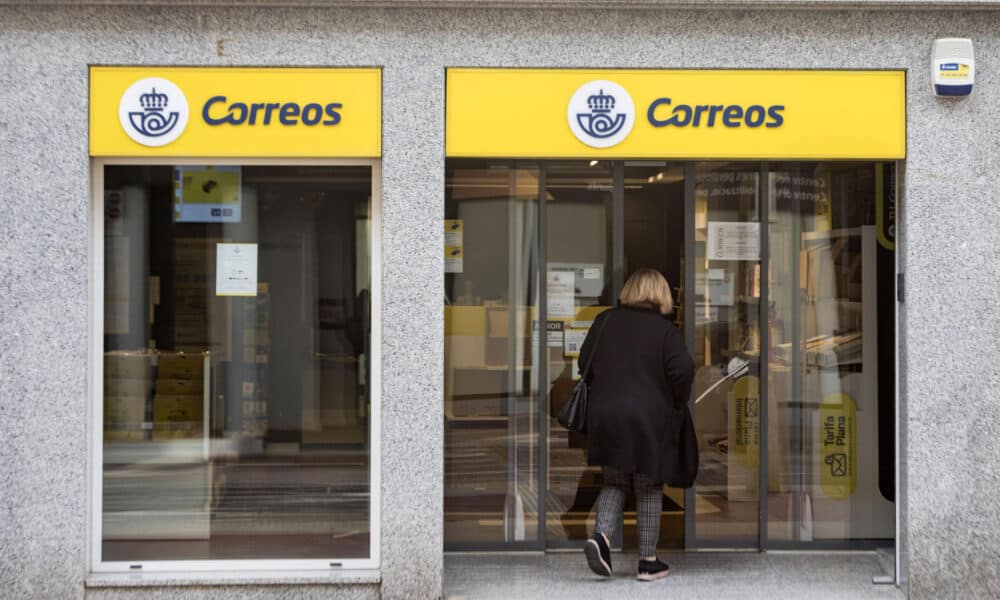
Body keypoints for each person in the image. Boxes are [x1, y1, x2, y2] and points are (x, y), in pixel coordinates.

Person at [578, 268, 695, 582]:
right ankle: (648, 561)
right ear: (660, 294)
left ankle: (601, 538)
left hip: (606, 416)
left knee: (614, 482)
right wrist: (676, 400)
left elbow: (583, 362)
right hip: (648, 418)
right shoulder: (665, 332)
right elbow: (682, 370)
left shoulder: (605, 322)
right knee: (648, 485)